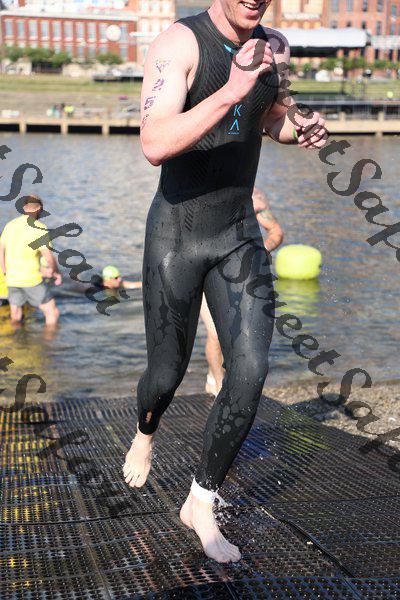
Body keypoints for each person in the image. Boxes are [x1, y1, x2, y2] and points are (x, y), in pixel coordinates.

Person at [123, 0, 328, 563]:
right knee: (165, 375)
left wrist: (299, 127)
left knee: (252, 369)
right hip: (176, 235)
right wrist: (230, 91)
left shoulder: (275, 47)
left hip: (238, 234)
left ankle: (201, 500)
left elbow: (268, 117)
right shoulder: (179, 43)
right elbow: (154, 143)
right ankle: (145, 432)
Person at [201, 186, 283, 397]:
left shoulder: (253, 195)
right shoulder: (204, 188)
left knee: (239, 336)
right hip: (206, 271)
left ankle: (220, 378)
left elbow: (275, 231)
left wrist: (262, 250)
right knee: (216, 334)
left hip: (243, 274)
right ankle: (219, 386)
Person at [0, 195, 61, 325]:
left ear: (24, 208)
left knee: (16, 314)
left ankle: (16, 336)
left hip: (12, 278)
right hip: (31, 279)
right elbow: (48, 256)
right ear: (39, 209)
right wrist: (56, 271)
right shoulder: (39, 228)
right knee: (52, 313)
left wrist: (4, 269)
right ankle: (49, 338)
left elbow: (1, 249)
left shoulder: (10, 225)